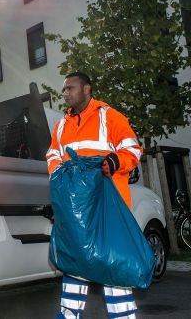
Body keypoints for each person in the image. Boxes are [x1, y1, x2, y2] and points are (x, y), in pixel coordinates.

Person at [46, 72, 143, 319]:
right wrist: (59, 176)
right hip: (76, 210)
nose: (65, 93)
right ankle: (68, 315)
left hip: (108, 208)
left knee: (113, 264)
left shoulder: (110, 117)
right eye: (64, 89)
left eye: (70, 88)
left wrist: (115, 160)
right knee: (76, 264)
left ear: (87, 89)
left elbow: (132, 147)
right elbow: (52, 156)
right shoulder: (61, 126)